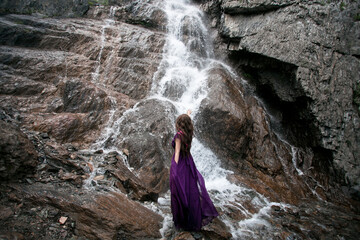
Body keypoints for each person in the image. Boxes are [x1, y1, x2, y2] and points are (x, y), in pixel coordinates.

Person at [170, 109, 219, 231]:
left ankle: (183, 220)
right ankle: (192, 217)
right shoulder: (189, 133)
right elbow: (186, 121)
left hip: (180, 164)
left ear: (178, 124)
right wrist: (188, 113)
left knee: (179, 191)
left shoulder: (178, 136)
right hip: (189, 163)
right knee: (191, 190)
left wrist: (174, 171)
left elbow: (176, 153)